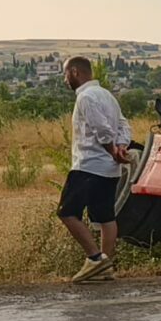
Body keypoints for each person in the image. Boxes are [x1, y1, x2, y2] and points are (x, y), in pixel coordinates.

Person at [58, 56, 132, 283]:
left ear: (75, 72)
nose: (65, 80)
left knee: (66, 212)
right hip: (109, 169)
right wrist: (121, 146)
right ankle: (106, 267)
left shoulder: (86, 97)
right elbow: (123, 124)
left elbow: (102, 130)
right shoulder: (107, 95)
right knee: (105, 217)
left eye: (65, 74)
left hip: (88, 165)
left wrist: (112, 150)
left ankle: (95, 258)